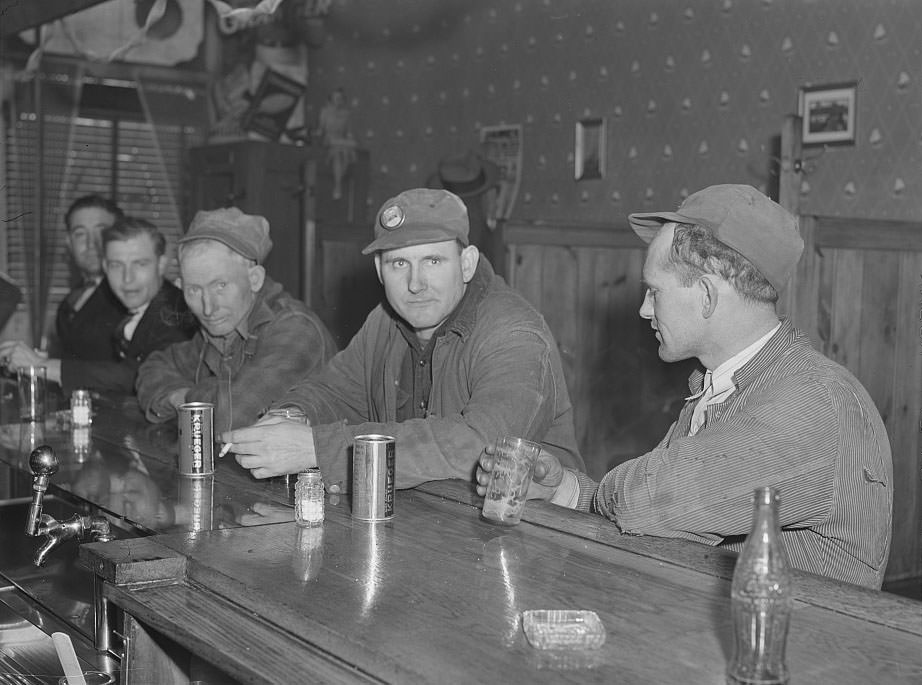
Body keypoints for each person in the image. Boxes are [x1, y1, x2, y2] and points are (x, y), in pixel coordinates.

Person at [476, 184, 893, 590]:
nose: (643, 310)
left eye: (654, 292)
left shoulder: (812, 401)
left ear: (708, 296)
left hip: (797, 651)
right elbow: (659, 519)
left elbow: (646, 501)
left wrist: (602, 494)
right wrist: (564, 489)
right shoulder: (725, 384)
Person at [224, 188, 584, 492]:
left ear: (467, 264)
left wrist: (317, 449)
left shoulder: (514, 331)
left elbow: (480, 444)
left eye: (433, 261)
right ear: (380, 270)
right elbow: (333, 392)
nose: (415, 283)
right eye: (399, 264)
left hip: (532, 532)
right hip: (429, 521)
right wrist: (292, 416)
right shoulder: (386, 320)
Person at [136, 207, 337, 433]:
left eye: (220, 285)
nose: (208, 307)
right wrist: (183, 399)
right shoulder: (216, 332)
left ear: (254, 279)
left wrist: (185, 397)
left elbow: (232, 419)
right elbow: (152, 368)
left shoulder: (295, 328)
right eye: (194, 290)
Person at [0, 217, 196, 394]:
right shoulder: (127, 309)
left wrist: (41, 365)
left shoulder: (178, 310)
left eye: (140, 264)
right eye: (116, 265)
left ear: (162, 264)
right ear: (104, 267)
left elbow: (137, 377)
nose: (127, 279)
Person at [55, 195, 127, 361]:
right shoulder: (68, 303)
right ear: (69, 242)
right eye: (80, 234)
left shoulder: (132, 297)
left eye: (102, 232)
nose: (91, 243)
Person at [317, 88, 357, 200]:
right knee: (339, 153)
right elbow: (320, 129)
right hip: (329, 139)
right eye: (336, 98)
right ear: (331, 99)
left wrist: (350, 138)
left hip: (341, 141)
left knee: (343, 150)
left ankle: (337, 184)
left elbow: (349, 132)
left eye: (340, 98)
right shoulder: (325, 111)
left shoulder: (346, 114)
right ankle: (338, 186)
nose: (338, 100)